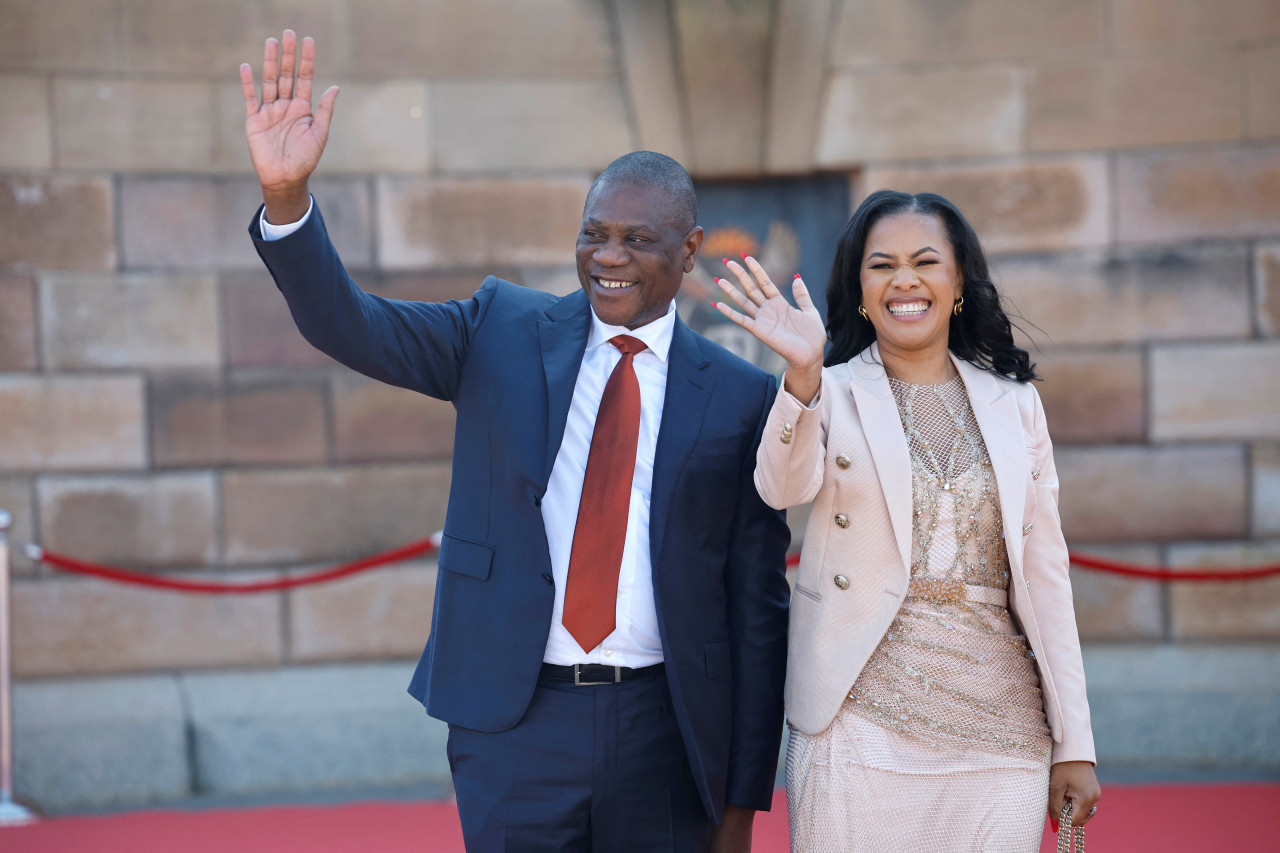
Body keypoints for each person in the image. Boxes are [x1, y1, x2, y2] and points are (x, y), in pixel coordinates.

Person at [238, 30, 791, 853]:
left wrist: (744, 800)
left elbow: (757, 607)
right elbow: (349, 324)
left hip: (669, 735)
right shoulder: (500, 327)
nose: (608, 257)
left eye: (638, 241)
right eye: (594, 233)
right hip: (516, 724)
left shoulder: (744, 395)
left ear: (689, 251)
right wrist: (289, 202)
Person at [713, 190, 1101, 851]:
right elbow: (780, 486)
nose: (904, 280)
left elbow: (1046, 578)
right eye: (881, 265)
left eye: (925, 261)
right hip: (858, 717)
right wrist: (802, 376)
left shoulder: (1017, 405)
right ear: (860, 289)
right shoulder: (828, 389)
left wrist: (1077, 743)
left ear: (956, 282)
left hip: (1002, 728)